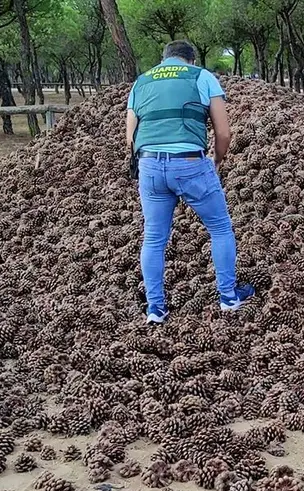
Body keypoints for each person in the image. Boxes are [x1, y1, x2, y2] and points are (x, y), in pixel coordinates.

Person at [126, 40, 255, 324]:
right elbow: (223, 132)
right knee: (220, 228)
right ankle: (228, 298)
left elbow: (130, 137)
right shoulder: (201, 76)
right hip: (189, 163)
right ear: (191, 60)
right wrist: (217, 160)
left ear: (164, 60)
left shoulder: (141, 82)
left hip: (149, 166)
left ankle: (156, 309)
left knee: (154, 238)